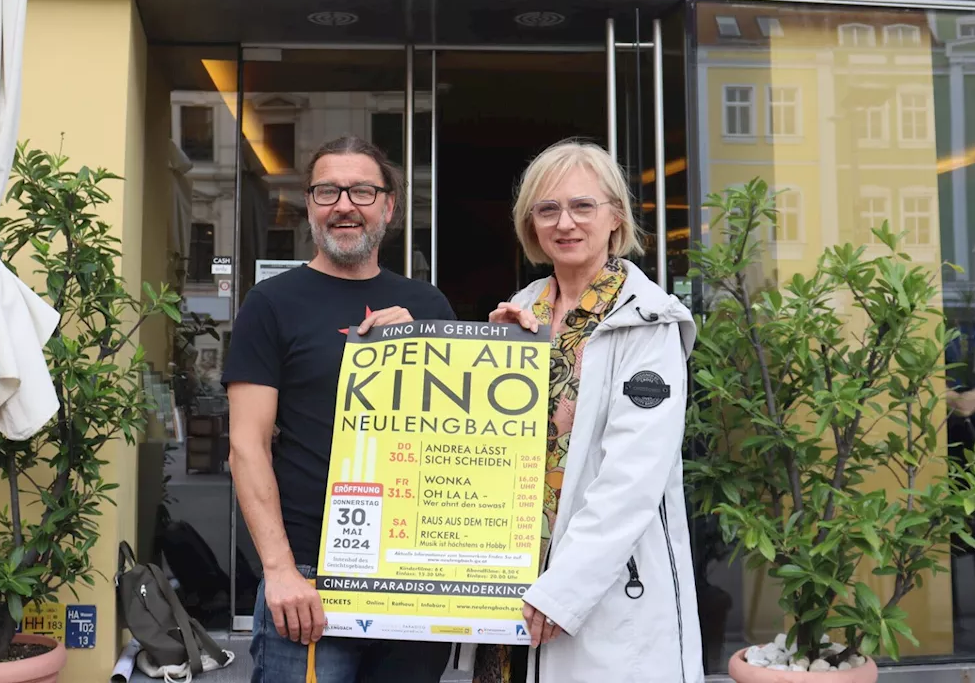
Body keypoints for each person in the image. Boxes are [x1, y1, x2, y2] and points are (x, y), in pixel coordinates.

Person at [460, 139, 704, 683]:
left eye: (582, 206)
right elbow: (479, 451)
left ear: (615, 217)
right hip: (506, 575)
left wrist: (563, 590)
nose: (564, 223)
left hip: (598, 587)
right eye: (547, 209)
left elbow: (632, 479)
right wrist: (484, 361)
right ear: (530, 224)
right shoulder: (521, 312)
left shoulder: (648, 323)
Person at [222, 135, 457, 683]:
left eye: (362, 191)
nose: (345, 205)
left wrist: (501, 342)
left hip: (413, 569)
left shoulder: (427, 305)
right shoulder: (271, 304)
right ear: (309, 205)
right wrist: (279, 572)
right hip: (309, 576)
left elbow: (460, 438)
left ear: (388, 206)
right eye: (328, 191)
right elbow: (245, 446)